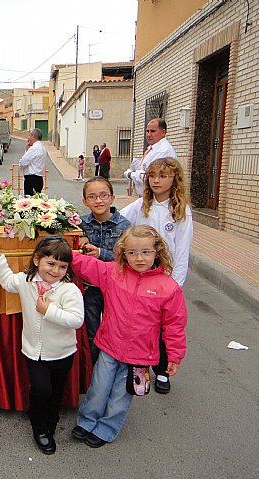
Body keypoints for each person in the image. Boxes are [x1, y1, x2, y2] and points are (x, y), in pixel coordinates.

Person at [70, 226, 187, 448]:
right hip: (109, 345)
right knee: (98, 387)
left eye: (145, 252)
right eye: (132, 252)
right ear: (123, 253)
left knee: (120, 395)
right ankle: (87, 421)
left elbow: (175, 325)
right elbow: (87, 265)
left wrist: (174, 356)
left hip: (140, 355)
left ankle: (106, 428)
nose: (139, 258)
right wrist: (65, 253)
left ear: (157, 252)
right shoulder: (114, 273)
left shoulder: (169, 288)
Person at [0, 237, 84, 455]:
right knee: (41, 389)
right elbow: (8, 282)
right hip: (33, 351)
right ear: (37, 259)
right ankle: (39, 428)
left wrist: (49, 311)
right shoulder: (26, 280)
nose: (56, 270)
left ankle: (51, 422)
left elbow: (77, 320)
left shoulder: (69, 290)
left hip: (62, 353)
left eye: (62, 266)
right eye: (51, 263)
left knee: (56, 391)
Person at [120, 158, 192, 394]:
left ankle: (162, 369)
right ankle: (139, 367)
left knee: (163, 325)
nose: (156, 181)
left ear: (175, 179)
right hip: (142, 273)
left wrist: (175, 284)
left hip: (165, 277)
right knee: (142, 323)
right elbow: (120, 220)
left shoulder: (179, 211)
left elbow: (182, 249)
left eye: (163, 175)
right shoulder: (142, 205)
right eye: (152, 176)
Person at [78, 177, 131, 364]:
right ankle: (93, 373)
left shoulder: (124, 226)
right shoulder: (79, 224)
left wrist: (100, 253)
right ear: (84, 201)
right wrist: (79, 240)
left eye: (103, 195)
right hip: (89, 288)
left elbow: (126, 259)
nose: (98, 200)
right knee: (91, 332)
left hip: (114, 287)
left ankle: (115, 368)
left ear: (112, 198)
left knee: (115, 330)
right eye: (92, 197)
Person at [124, 118, 177, 196]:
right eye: (147, 131)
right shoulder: (152, 149)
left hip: (155, 196)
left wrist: (130, 174)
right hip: (147, 196)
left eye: (153, 131)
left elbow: (150, 176)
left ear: (163, 132)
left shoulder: (163, 151)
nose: (149, 135)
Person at [19, 128, 46, 196]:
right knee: (36, 201)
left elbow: (23, 162)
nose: (28, 138)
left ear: (33, 136)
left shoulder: (34, 148)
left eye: (29, 136)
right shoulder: (42, 148)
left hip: (31, 179)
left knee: (29, 203)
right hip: (39, 178)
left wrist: (27, 150)